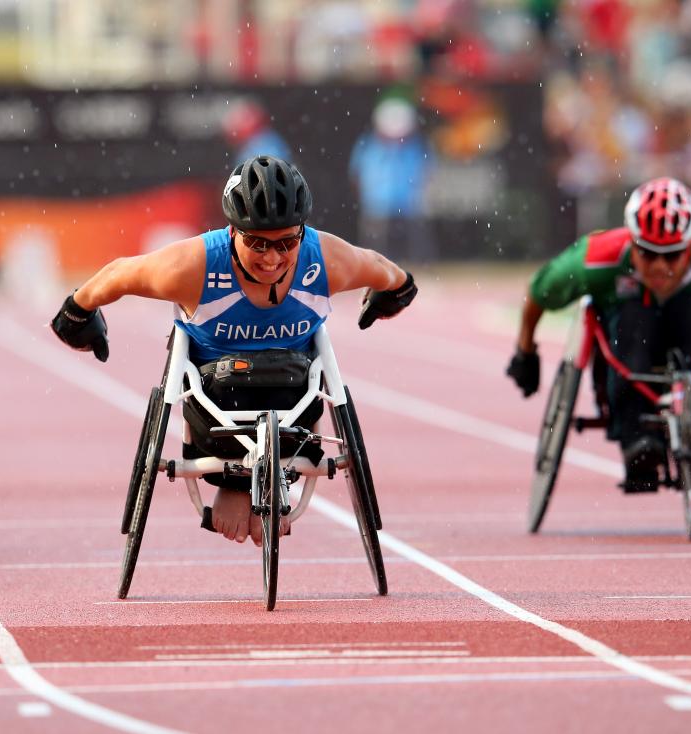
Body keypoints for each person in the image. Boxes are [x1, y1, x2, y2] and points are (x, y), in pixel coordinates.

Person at [51, 155, 417, 545]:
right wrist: (76, 318)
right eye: (257, 243)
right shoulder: (192, 266)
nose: (272, 258)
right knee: (225, 385)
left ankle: (259, 481)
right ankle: (232, 482)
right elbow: (118, 274)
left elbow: (389, 273)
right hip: (215, 408)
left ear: (302, 232)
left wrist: (390, 298)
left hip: (295, 402)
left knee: (297, 383)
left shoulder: (328, 260)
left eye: (287, 243)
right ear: (232, 231)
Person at [506, 177, 691, 492]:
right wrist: (526, 351)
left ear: (689, 247)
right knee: (634, 318)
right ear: (632, 242)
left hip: (689, 326)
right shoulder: (596, 257)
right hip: (627, 335)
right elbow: (539, 292)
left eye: (671, 256)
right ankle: (637, 438)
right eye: (647, 252)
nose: (659, 266)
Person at [348, 95, 436, 264]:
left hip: (409, 203)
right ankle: (373, 268)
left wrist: (420, 193)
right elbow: (357, 174)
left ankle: (421, 267)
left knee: (416, 239)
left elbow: (427, 171)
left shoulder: (416, 146)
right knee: (374, 242)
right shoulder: (368, 145)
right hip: (377, 203)